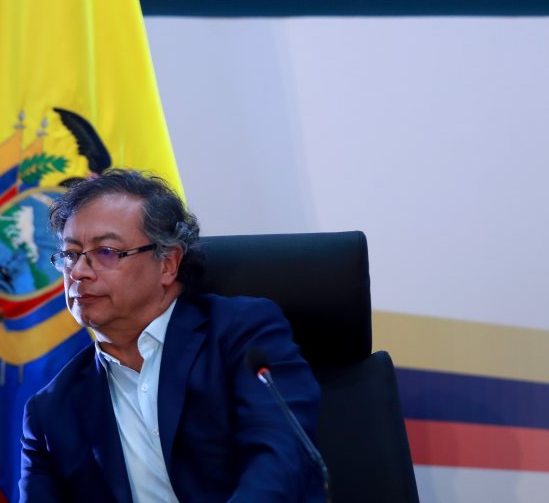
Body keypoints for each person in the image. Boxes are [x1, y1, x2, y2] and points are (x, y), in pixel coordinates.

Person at [19, 170, 323, 502]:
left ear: (168, 263)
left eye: (106, 251)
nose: (77, 271)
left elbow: (281, 460)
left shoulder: (243, 335)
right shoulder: (51, 410)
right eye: (70, 254)